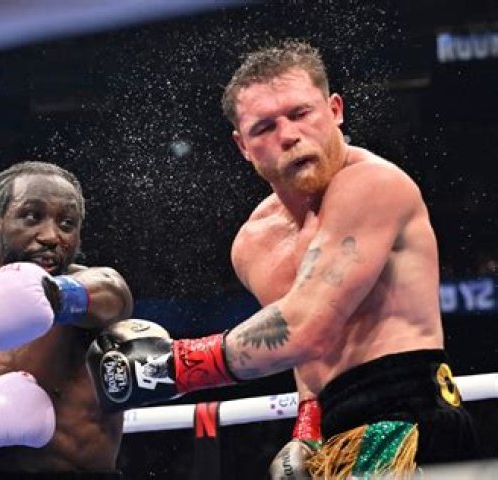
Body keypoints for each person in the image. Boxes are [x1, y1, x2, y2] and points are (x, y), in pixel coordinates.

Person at [86, 40, 480, 478]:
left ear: (335, 110)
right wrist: (308, 432)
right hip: (336, 433)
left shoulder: (373, 185)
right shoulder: (254, 242)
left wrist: (172, 366)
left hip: (412, 421)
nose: (288, 135)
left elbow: (305, 327)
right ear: (242, 146)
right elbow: (306, 358)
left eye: (300, 113)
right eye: (265, 127)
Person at [0, 161, 134, 479]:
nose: (52, 236)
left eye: (67, 223)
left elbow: (115, 295)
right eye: (32, 216)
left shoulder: (87, 301)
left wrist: (51, 297)